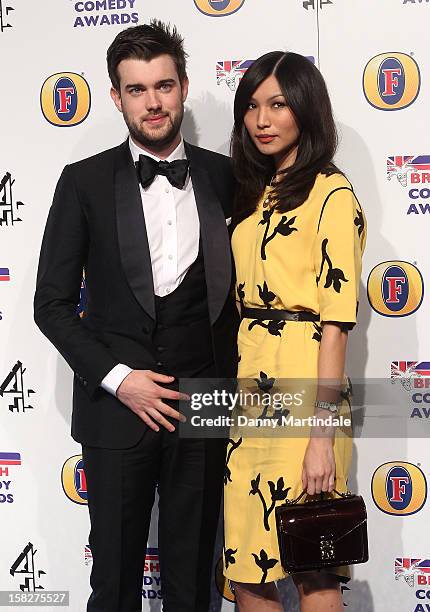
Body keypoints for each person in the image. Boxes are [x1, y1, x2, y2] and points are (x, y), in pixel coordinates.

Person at [34, 21, 239, 612]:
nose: (153, 102)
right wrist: (121, 379)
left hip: (204, 407)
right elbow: (51, 305)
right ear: (116, 95)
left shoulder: (225, 177)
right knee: (116, 585)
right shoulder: (84, 183)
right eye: (137, 89)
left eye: (164, 85)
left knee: (193, 581)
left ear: (183, 86)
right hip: (114, 413)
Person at [223, 51, 366, 611]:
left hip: (307, 391)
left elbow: (335, 328)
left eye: (278, 104)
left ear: (306, 108)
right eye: (252, 106)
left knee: (313, 568)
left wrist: (320, 437)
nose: (262, 119)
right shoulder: (254, 194)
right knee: (246, 570)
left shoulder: (332, 195)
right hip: (250, 395)